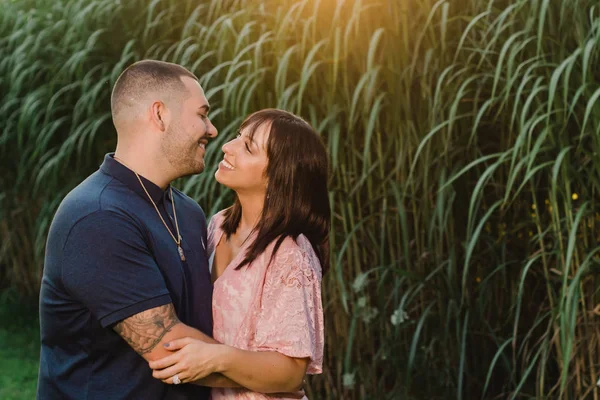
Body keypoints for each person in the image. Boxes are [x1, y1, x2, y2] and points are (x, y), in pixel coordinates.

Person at [37, 60, 234, 400]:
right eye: (202, 114)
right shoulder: (97, 217)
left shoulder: (187, 211)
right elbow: (170, 351)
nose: (212, 129)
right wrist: (275, 371)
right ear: (160, 115)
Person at [149, 108, 329, 399]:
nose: (227, 147)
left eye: (248, 147)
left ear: (278, 176)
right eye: (237, 137)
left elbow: (291, 373)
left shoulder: (290, 253)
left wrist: (216, 357)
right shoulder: (218, 224)